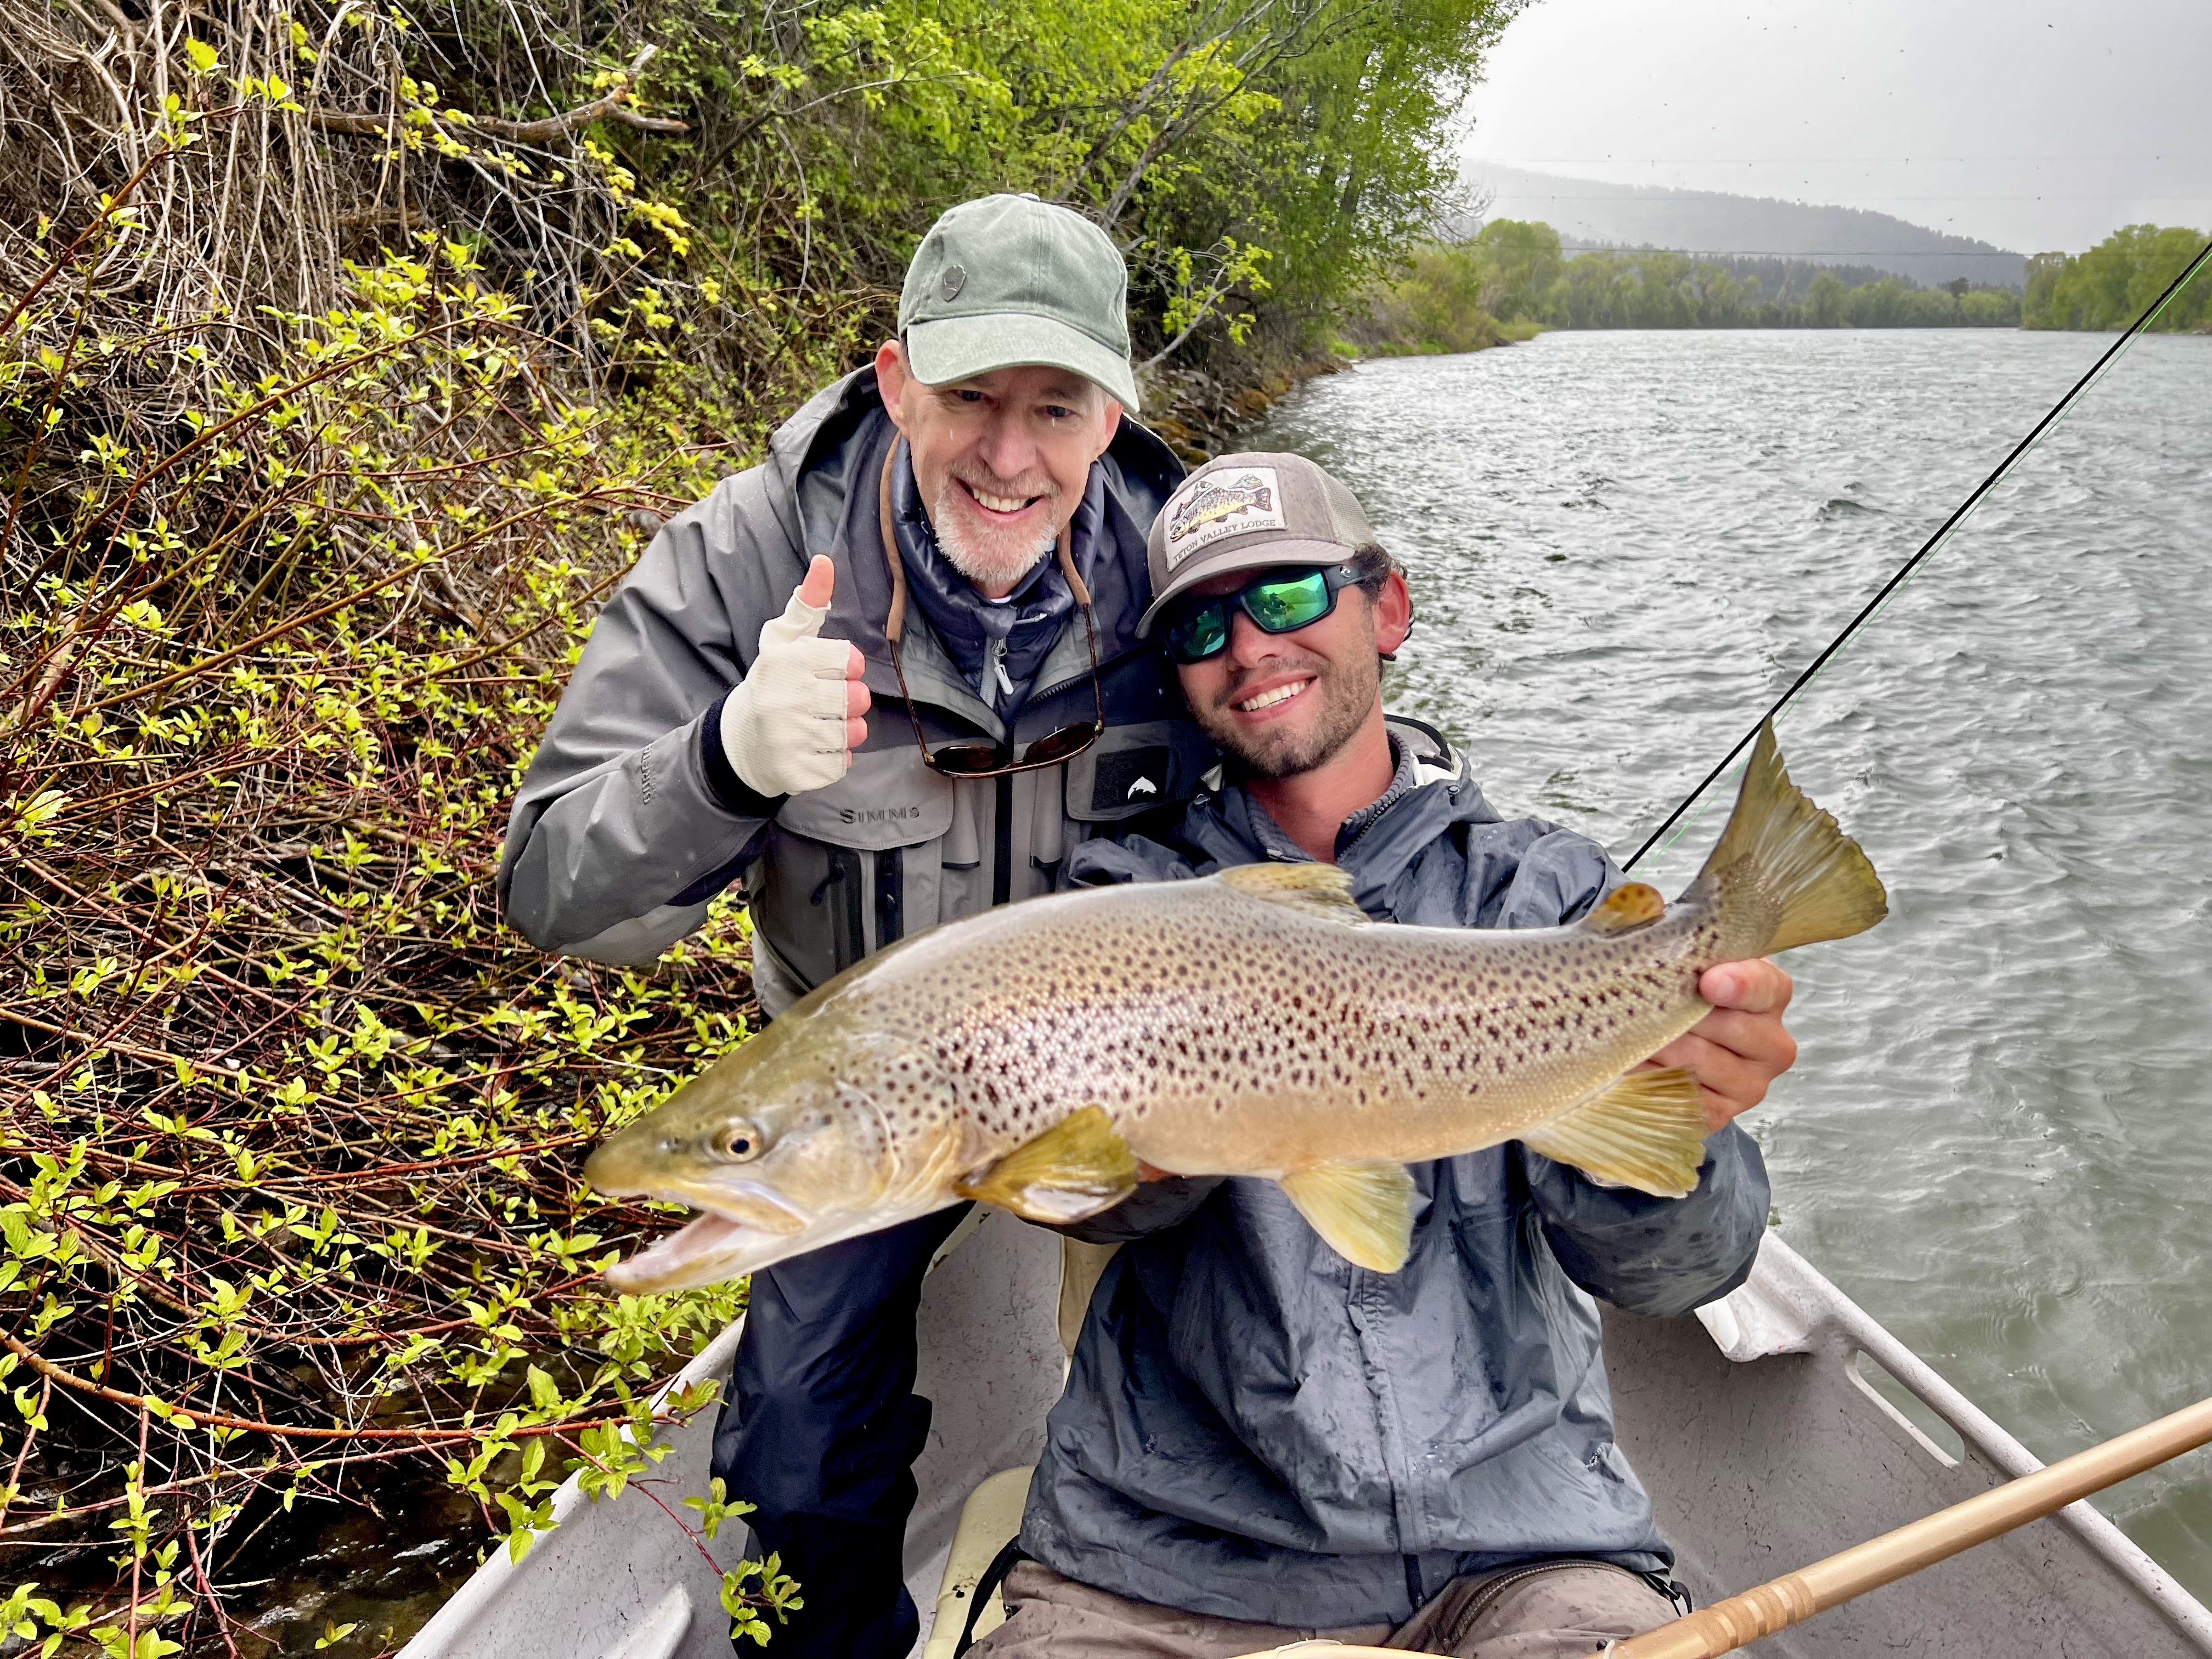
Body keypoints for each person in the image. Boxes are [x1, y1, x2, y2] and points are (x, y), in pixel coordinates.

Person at [498, 194, 1204, 1655]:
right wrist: (724, 762)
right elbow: (550, 886)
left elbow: (1334, 771)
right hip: (857, 1100)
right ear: (893, 380)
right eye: (968, 399)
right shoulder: (745, 558)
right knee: (798, 1462)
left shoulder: (1187, 572)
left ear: (1113, 415)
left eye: (1055, 410)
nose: (1009, 458)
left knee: (1266, 1367)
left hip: (1155, 1080)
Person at [971, 452, 1799, 1658]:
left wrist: (1695, 1123)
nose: (1250, 645)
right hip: (1157, 1563)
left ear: (1388, 608)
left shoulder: (1547, 898)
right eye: (1204, 623)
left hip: (1523, 1552)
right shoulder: (1127, 902)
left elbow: (1684, 1274)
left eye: (1291, 596)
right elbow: (1101, 1219)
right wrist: (1119, 1159)